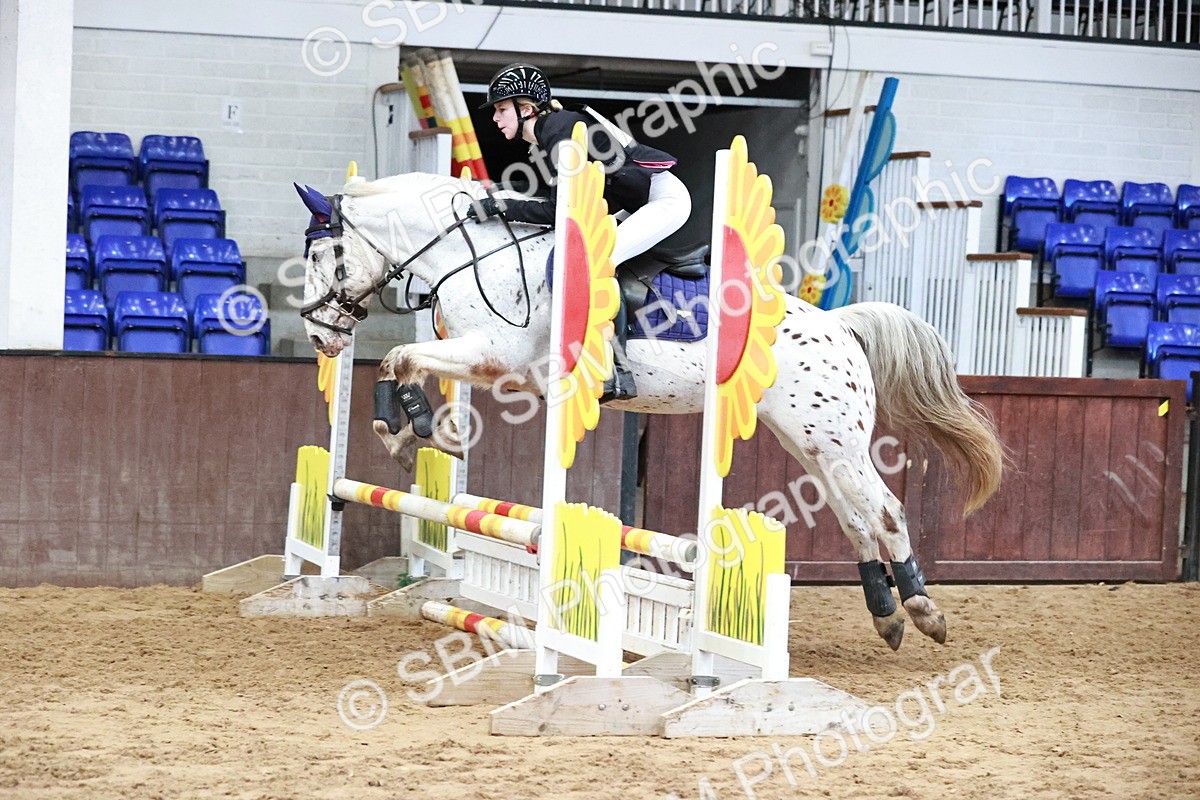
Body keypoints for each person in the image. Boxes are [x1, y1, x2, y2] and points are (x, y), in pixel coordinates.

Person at [471, 62, 692, 402]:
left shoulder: (559, 129)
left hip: (664, 200)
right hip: (632, 201)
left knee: (597, 262)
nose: (496, 119)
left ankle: (618, 370)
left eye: (501, 109)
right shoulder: (550, 133)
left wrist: (502, 207)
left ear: (526, 108)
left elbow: (560, 211)